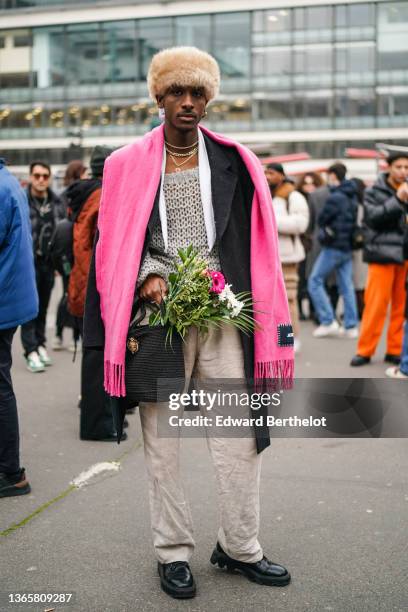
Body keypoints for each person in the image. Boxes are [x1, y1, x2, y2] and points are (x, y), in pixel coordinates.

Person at [84, 47, 294, 599]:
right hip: (158, 322)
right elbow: (115, 244)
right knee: (163, 444)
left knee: (238, 438)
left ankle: (240, 545)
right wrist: (148, 277)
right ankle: (172, 552)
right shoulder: (126, 164)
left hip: (224, 314)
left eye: (198, 92)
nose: (188, 102)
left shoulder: (235, 161)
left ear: (209, 98)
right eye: (176, 91)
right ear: (158, 97)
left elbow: (252, 245)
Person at [66, 146, 123, 441]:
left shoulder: (83, 194)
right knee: (99, 352)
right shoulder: (103, 196)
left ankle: (102, 417)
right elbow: (105, 245)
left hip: (80, 280)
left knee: (94, 351)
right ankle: (98, 424)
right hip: (96, 285)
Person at [0, 158, 38, 497]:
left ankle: (10, 472)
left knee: (0, 388)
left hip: (3, 299)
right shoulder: (8, 180)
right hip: (10, 298)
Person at [351, 152, 408, 366]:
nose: (403, 171)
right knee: (375, 306)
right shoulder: (374, 191)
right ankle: (365, 350)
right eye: (399, 167)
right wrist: (398, 200)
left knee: (401, 308)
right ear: (389, 168)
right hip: (381, 255)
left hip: (405, 255)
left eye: (406, 167)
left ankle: (395, 349)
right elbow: (373, 218)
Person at [20, 161, 65, 372]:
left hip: (48, 263)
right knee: (29, 308)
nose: (40, 180)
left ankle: (40, 344)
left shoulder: (56, 202)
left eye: (45, 176)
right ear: (30, 177)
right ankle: (30, 350)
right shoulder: (22, 200)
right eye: (37, 175)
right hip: (27, 264)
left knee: (43, 306)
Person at [308, 162, 358, 338]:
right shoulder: (352, 195)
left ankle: (328, 320)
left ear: (333, 176)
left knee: (314, 281)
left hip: (333, 246)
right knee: (347, 286)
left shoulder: (336, 197)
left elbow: (321, 220)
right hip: (347, 246)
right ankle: (351, 325)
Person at [265, 163, 309, 352]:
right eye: (265, 172)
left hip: (288, 258)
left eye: (271, 173)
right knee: (269, 301)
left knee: (289, 301)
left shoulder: (294, 196)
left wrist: (271, 220)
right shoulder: (266, 194)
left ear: (282, 176)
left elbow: (301, 224)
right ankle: (276, 339)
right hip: (268, 256)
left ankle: (289, 339)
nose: (267, 176)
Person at [52, 160, 87, 352]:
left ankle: (72, 336)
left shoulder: (69, 193)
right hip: (68, 247)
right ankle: (61, 334)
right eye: (83, 172)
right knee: (69, 294)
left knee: (72, 294)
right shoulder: (69, 195)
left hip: (74, 247)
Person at [296, 172, 324, 320]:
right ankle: (301, 309)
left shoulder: (319, 199)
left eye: (312, 184)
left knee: (313, 276)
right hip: (302, 244)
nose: (309, 187)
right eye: (306, 184)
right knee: (301, 277)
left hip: (315, 244)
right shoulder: (297, 198)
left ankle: (314, 309)